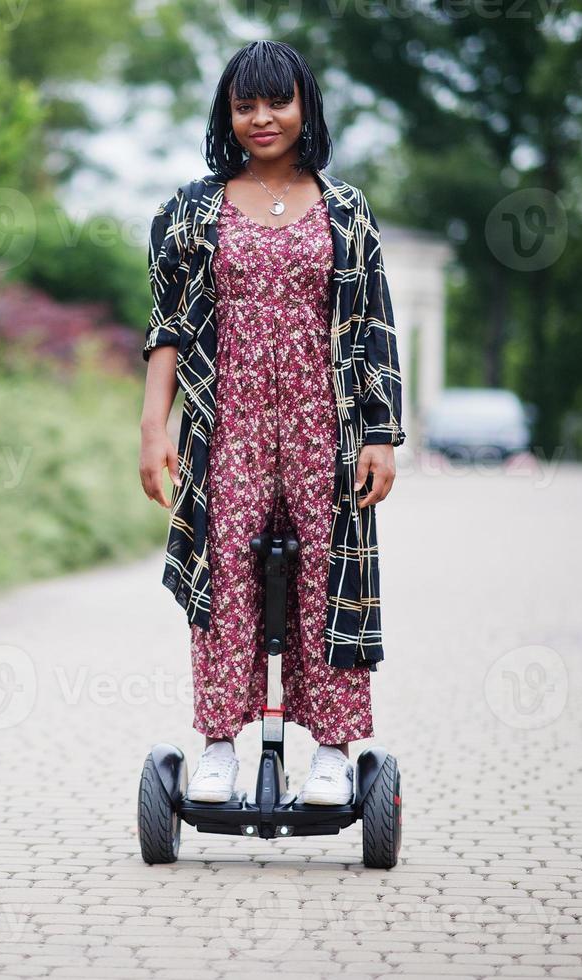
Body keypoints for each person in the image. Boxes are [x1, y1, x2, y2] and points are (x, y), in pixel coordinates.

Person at [138, 39, 406, 808]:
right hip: (228, 426)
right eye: (244, 104)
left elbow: (375, 328)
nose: (261, 118)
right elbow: (166, 330)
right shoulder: (192, 209)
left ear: (304, 108)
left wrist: (381, 434)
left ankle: (330, 750)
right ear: (228, 112)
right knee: (224, 576)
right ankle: (219, 742)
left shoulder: (345, 210)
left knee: (329, 577)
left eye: (276, 102)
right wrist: (153, 430)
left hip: (328, 429)